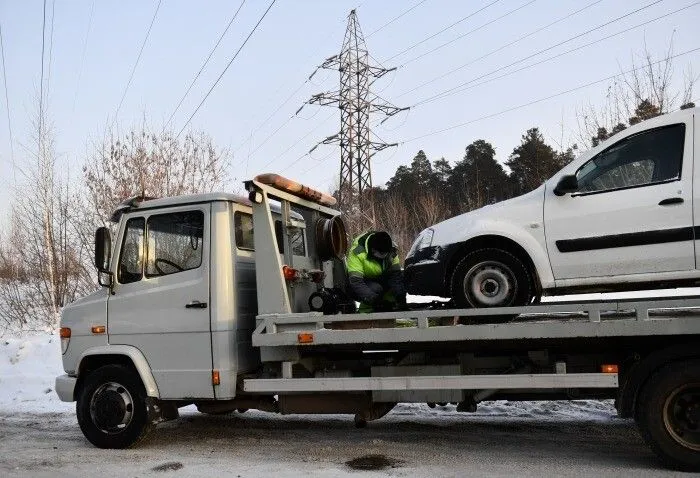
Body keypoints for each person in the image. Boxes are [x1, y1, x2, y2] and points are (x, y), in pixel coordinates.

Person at [346, 230, 406, 313]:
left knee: (400, 282)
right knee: (376, 288)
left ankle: (391, 311)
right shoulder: (357, 252)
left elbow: (396, 276)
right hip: (361, 285)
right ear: (373, 250)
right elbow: (356, 282)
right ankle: (365, 316)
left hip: (381, 278)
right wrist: (375, 301)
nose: (384, 256)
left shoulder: (392, 252)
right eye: (381, 254)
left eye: (386, 253)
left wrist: (401, 297)